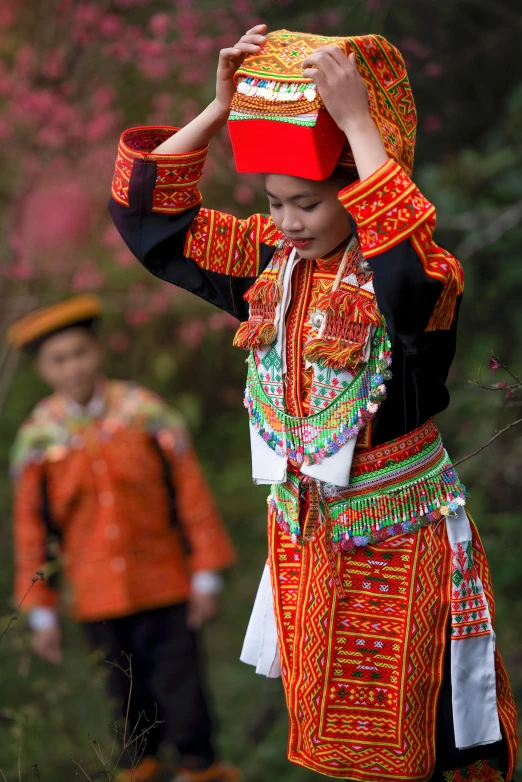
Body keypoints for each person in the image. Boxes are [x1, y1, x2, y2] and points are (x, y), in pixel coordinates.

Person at [108, 25, 519, 782]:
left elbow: (408, 273)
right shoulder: (272, 264)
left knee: (429, 729)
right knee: (332, 734)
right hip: (308, 538)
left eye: (308, 204)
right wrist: (218, 106)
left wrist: (361, 125)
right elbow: (149, 219)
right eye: (275, 203)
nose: (290, 222)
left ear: (357, 193)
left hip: (401, 531)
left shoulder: (422, 275)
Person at [8, 295, 241, 782]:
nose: (73, 367)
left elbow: (191, 493)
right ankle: (144, 766)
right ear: (44, 370)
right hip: (95, 595)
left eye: (80, 353)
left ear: (97, 352)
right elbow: (31, 529)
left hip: (165, 581)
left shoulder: (145, 413)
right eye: (59, 360)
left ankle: (199, 765)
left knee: (182, 682)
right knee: (124, 690)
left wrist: (206, 575)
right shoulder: (38, 440)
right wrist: (41, 607)